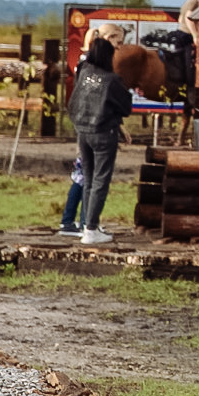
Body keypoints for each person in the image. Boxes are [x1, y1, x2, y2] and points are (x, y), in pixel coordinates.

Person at [66, 23, 134, 245]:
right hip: (104, 133)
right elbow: (125, 107)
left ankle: (87, 226)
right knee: (100, 180)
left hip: (82, 131)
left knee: (87, 179)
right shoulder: (112, 80)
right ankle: (92, 229)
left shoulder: (84, 71)